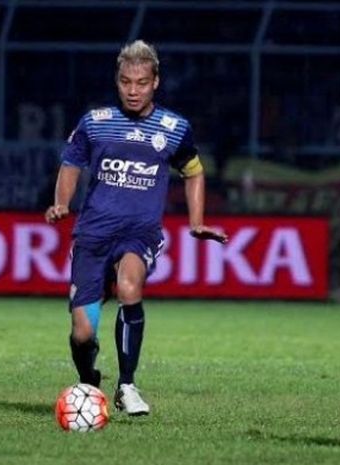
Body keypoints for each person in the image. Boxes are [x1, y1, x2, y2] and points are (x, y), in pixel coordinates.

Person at [45, 40, 227, 416]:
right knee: (83, 332)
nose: (133, 90)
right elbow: (71, 163)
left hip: (138, 233)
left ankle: (127, 385)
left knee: (129, 286)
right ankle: (89, 381)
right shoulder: (96, 123)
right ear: (117, 81)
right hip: (92, 235)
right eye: (126, 82)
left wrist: (195, 223)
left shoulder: (174, 128)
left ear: (155, 82)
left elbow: (193, 171)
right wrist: (62, 202)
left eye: (141, 82)